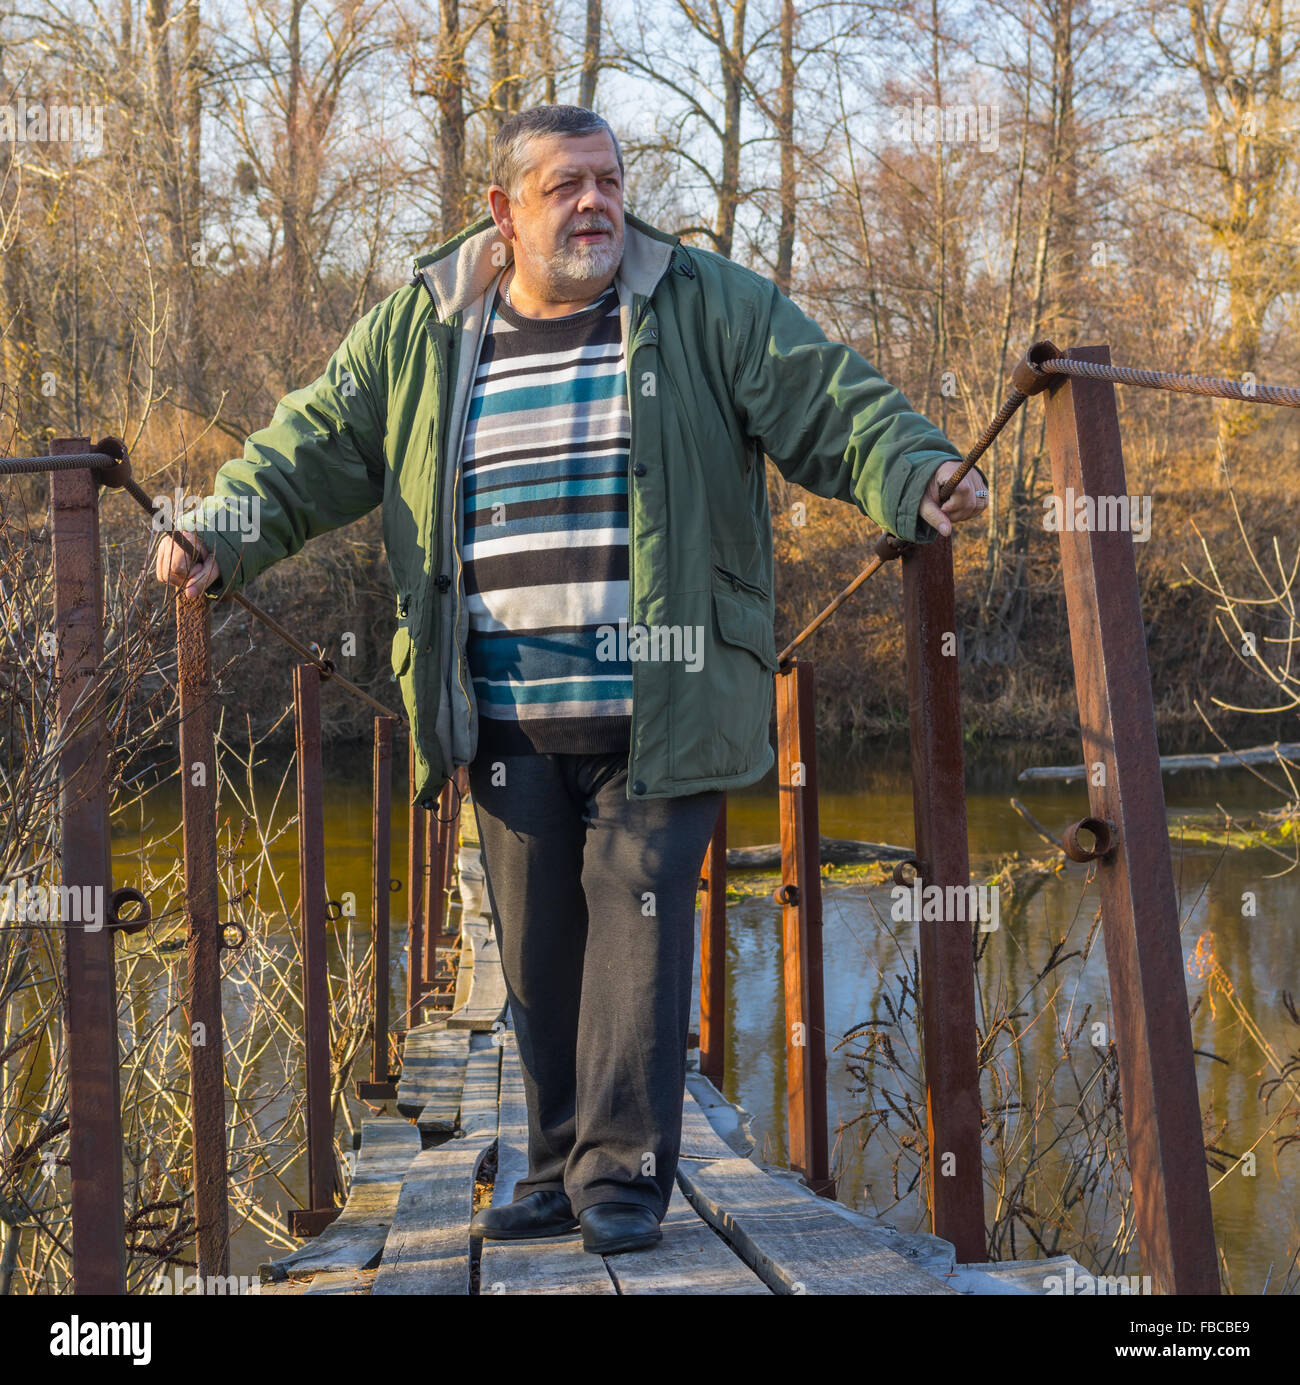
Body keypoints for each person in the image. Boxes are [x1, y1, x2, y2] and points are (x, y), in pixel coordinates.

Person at [156, 103, 988, 1257]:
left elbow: (827, 397)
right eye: (565, 186)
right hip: (499, 705)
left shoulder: (701, 302)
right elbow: (310, 444)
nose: (596, 203)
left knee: (638, 918)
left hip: (670, 696)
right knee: (539, 949)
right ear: (502, 211)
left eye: (607, 179)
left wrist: (916, 470)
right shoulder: (422, 327)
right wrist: (218, 531)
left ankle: (624, 1178)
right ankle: (551, 1160)